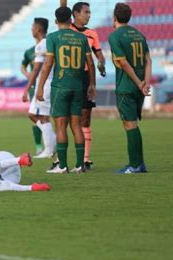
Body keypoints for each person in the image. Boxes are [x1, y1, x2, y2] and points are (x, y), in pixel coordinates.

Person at [36, 6, 96, 174]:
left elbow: (48, 63)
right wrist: (92, 85)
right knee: (76, 125)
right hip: (78, 86)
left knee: (61, 125)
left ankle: (62, 166)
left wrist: (40, 87)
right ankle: (80, 165)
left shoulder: (53, 37)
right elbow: (90, 64)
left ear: (56, 21)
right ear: (71, 20)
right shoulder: (81, 38)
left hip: (60, 86)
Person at [108, 2, 151, 173]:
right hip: (139, 87)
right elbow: (148, 60)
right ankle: (138, 163)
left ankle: (135, 165)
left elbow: (123, 62)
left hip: (126, 86)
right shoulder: (139, 35)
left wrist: (138, 82)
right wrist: (145, 82)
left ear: (114, 18)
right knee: (133, 124)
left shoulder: (115, 36)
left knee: (129, 124)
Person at [71, 2, 106, 170]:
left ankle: (85, 159)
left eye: (90, 12)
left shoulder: (92, 34)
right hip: (69, 76)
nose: (89, 15)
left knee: (85, 117)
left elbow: (99, 54)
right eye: (86, 12)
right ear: (76, 14)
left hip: (86, 77)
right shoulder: (67, 32)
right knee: (64, 119)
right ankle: (59, 159)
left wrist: (101, 63)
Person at [22, 18, 56, 159]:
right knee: (33, 114)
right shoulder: (49, 42)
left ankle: (49, 149)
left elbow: (36, 70)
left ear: (38, 29)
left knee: (43, 116)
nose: (31, 29)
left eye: (33, 27)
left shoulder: (42, 45)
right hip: (46, 83)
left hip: (45, 83)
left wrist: (27, 88)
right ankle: (52, 138)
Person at [21, 44, 43, 155]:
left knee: (47, 117)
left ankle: (51, 141)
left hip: (48, 86)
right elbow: (23, 66)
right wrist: (27, 74)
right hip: (34, 87)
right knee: (35, 115)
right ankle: (39, 147)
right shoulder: (29, 51)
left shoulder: (49, 47)